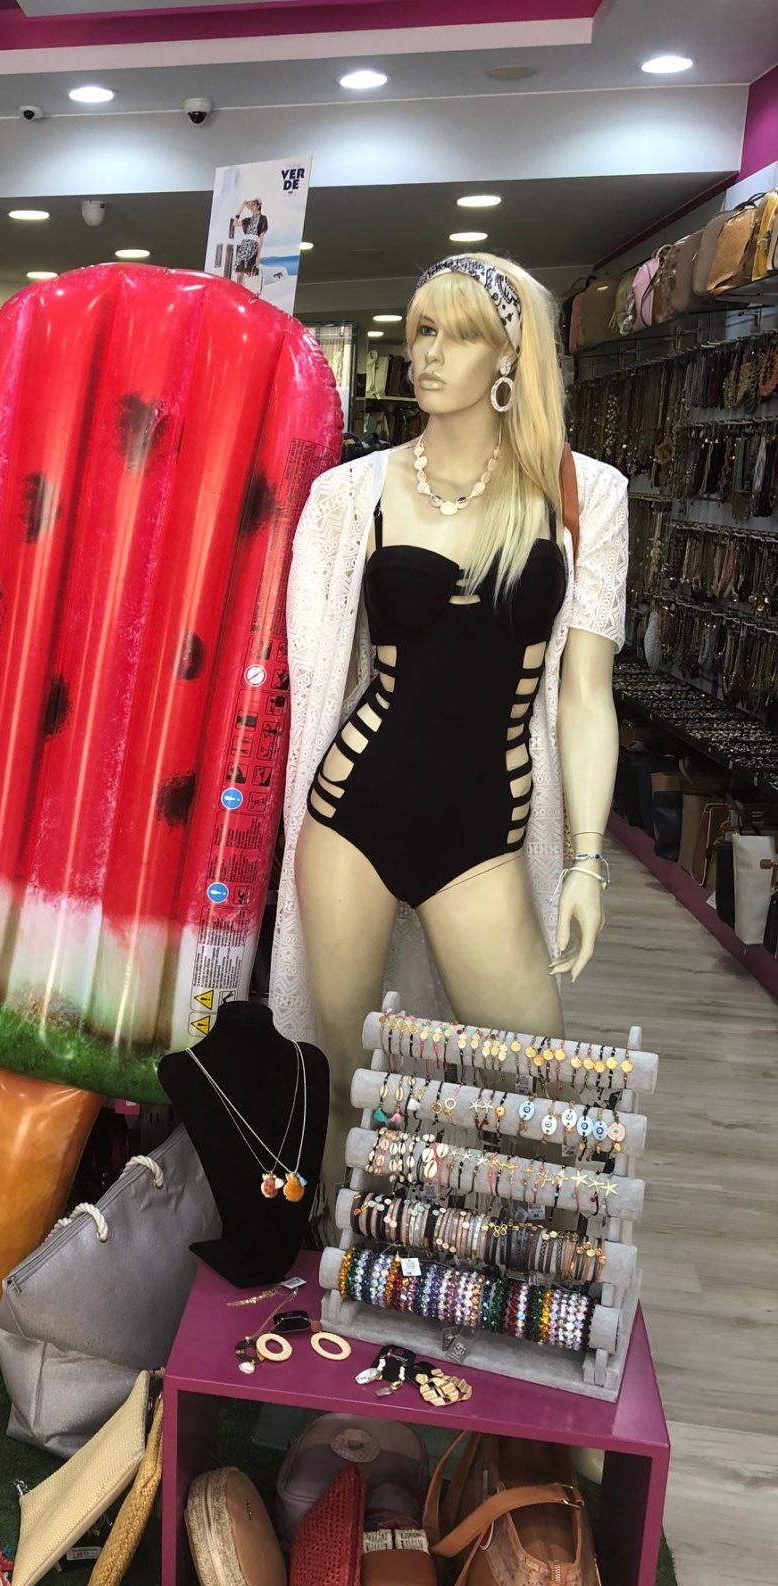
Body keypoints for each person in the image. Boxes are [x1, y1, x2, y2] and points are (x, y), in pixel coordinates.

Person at [270, 253, 628, 1194]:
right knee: (343, 1081)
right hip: (351, 811)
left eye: (459, 334)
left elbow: (586, 694)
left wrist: (586, 860)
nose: (428, 354)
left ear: (511, 355)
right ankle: (344, 1246)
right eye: (421, 330)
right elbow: (307, 671)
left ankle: (515, 1252)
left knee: (536, 1096)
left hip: (483, 834)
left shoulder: (584, 497)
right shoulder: (351, 495)